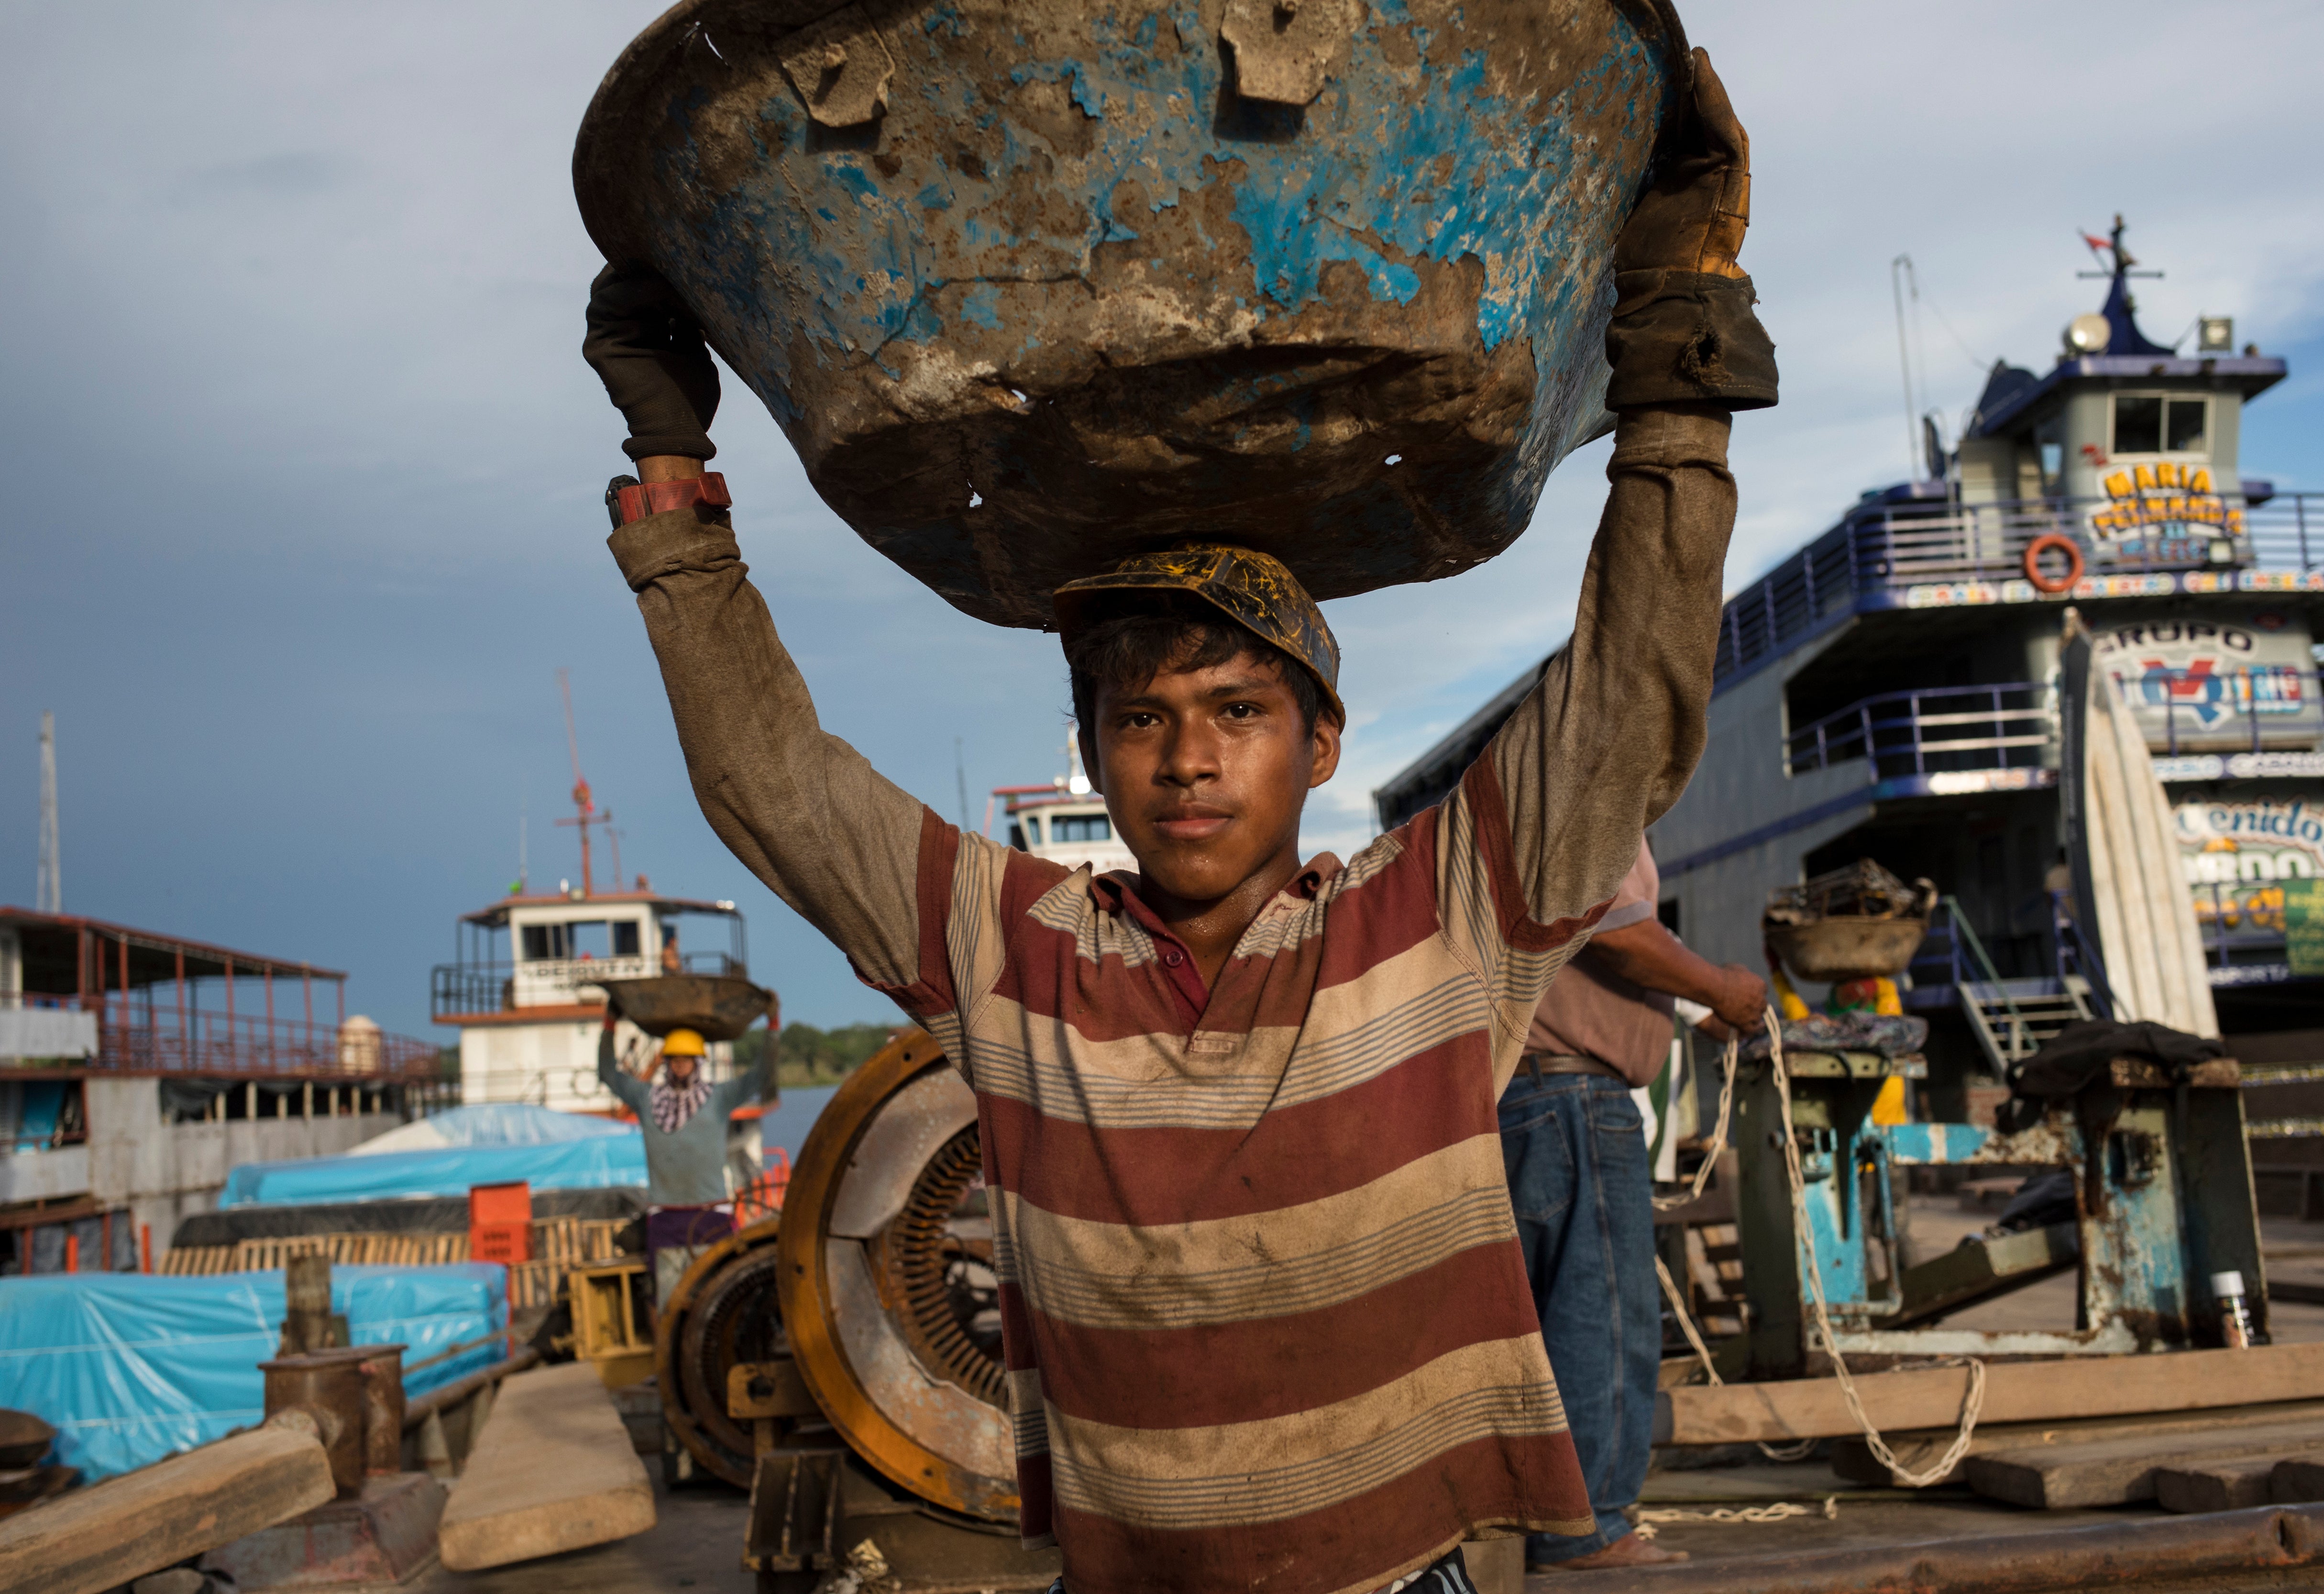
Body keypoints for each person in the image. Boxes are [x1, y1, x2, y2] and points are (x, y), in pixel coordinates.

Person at [582, 52, 1772, 1594]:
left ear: (1318, 741)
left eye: (1236, 712)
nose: (1187, 762)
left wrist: (1677, 398)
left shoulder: (1439, 919)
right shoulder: (1011, 956)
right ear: (1090, 752)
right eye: (1139, 719)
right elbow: (774, 782)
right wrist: (673, 478)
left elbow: (1631, 691)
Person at [1502, 836, 1766, 1571]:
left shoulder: (1531, 817)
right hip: (1576, 1094)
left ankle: (1535, 1519)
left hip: (1526, 1093)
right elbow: (1621, 936)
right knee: (1605, 1316)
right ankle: (1585, 1529)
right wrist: (1723, 987)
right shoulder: (1595, 808)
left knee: (1543, 1322)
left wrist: (1708, 999)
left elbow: (1639, 951)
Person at [597, 1015, 774, 1305]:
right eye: (674, 1058)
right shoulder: (647, 1098)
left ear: (698, 1062)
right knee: (666, 1303)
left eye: (686, 1058)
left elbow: (762, 1074)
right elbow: (607, 1073)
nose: (679, 1064)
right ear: (666, 1062)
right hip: (665, 1218)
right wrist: (609, 1025)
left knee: (722, 1297)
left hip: (712, 1215)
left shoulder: (719, 1097)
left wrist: (773, 1028)